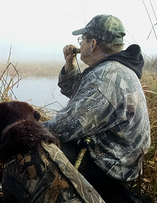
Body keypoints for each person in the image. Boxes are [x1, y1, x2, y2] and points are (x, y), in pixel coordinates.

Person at [42, 15, 151, 189]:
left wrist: (26, 129)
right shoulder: (114, 67)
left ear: (92, 44)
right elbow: (74, 89)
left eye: (82, 39)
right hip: (124, 160)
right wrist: (70, 61)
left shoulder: (106, 77)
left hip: (113, 167)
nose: (79, 44)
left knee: (39, 150)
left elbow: (62, 128)